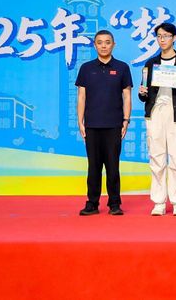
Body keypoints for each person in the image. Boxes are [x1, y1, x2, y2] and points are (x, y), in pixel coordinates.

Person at [139, 23, 176, 216]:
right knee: (156, 158)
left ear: (174, 37)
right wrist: (142, 92)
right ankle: (158, 202)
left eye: (166, 36)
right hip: (156, 113)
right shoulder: (151, 63)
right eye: (159, 36)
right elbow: (144, 95)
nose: (162, 39)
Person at [76, 30, 133, 216]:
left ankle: (114, 204)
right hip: (92, 125)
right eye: (99, 42)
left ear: (113, 45)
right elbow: (81, 96)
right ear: (94, 45)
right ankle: (92, 203)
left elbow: (127, 96)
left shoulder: (122, 68)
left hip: (114, 125)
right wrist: (80, 121)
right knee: (93, 167)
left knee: (112, 167)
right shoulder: (86, 68)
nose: (103, 45)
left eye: (107, 42)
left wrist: (126, 120)